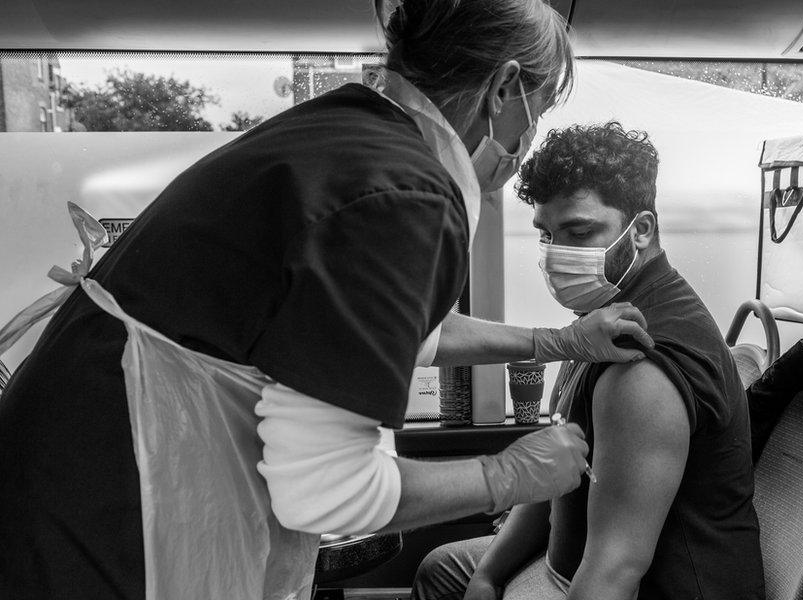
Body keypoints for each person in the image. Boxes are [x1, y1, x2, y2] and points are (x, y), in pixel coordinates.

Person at [0, 3, 655, 598]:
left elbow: (397, 333)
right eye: (536, 109)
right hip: (106, 508)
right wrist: (512, 473)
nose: (529, 136)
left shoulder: (347, 137)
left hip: (75, 463)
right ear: (504, 87)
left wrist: (557, 343)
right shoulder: (407, 192)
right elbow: (329, 490)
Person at [411, 122, 765, 600]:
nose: (558, 254)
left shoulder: (641, 371)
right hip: (567, 563)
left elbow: (614, 572)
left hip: (636, 586)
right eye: (546, 234)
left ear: (640, 231)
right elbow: (559, 466)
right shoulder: (598, 327)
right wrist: (488, 575)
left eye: (579, 231)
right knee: (444, 569)